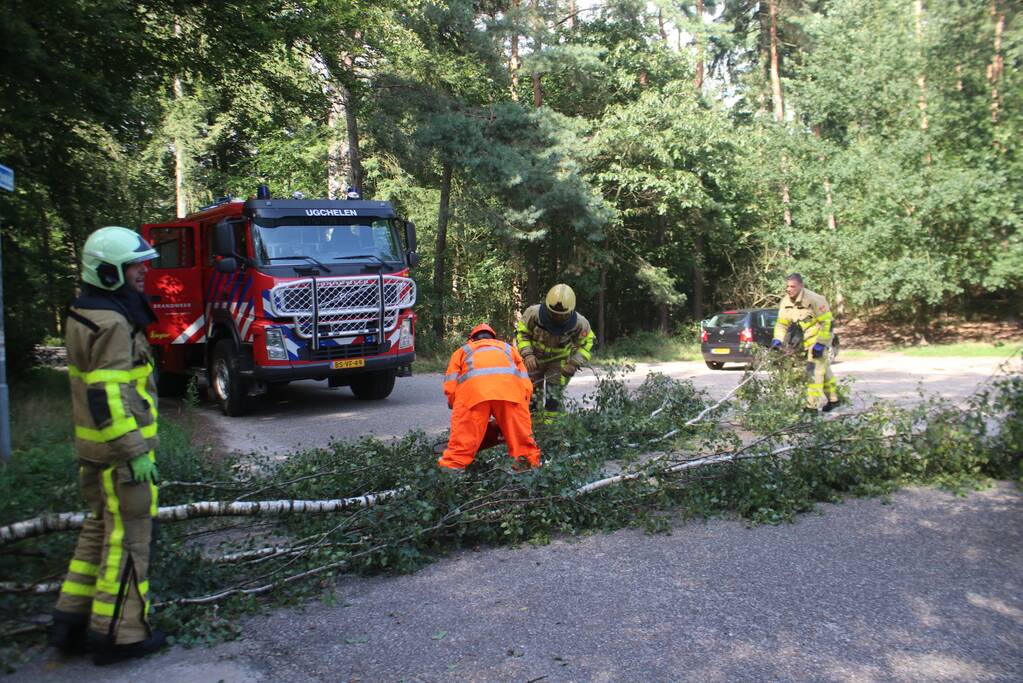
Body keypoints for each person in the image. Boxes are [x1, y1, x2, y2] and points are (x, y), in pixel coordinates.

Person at [50, 226, 167, 665]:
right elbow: (109, 395)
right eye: (136, 265)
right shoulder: (114, 322)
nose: (144, 270)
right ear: (110, 272)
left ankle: (70, 622)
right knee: (129, 542)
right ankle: (120, 635)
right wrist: (134, 450)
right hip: (121, 457)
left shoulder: (84, 312)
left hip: (95, 452)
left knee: (97, 532)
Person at [438, 324, 541, 472]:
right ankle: (529, 471)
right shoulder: (508, 349)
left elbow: (450, 385)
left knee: (461, 445)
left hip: (472, 396)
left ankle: (450, 474)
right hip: (511, 394)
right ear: (493, 337)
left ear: (471, 339)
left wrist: (456, 405)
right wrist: (523, 404)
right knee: (523, 443)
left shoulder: (462, 351)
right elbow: (526, 384)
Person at [514, 284, 596, 417]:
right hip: (534, 359)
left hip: (559, 363)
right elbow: (522, 334)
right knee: (532, 398)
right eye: (554, 314)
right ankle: (534, 428)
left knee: (554, 399)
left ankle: (554, 430)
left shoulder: (580, 323)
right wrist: (527, 354)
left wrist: (574, 363)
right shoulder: (533, 314)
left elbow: (586, 344)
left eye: (561, 316)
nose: (557, 318)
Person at [771, 273, 840, 413]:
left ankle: (811, 407)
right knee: (824, 370)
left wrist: (821, 343)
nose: (789, 289)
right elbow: (781, 324)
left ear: (801, 286)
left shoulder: (814, 299)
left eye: (792, 286)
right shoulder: (786, 302)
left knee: (813, 372)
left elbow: (828, 322)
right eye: (787, 286)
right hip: (805, 340)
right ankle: (834, 400)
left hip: (819, 339)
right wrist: (777, 339)